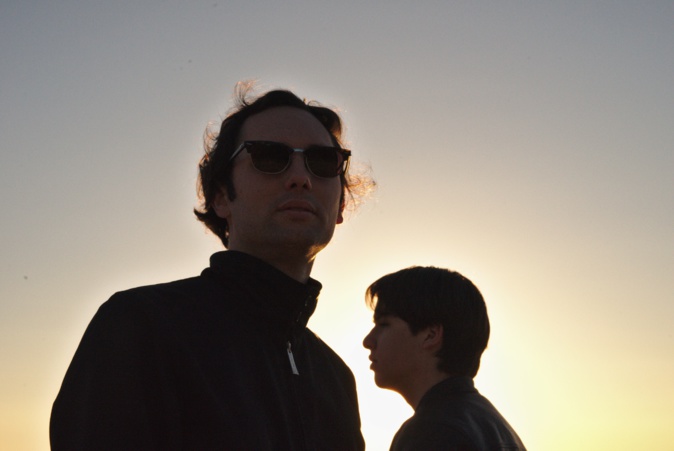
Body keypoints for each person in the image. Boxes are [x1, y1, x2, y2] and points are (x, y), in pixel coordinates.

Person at [50, 83, 372, 450]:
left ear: (341, 205)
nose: (301, 177)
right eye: (269, 156)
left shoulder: (335, 379)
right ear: (220, 197)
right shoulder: (141, 326)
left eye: (324, 162)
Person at [363, 266, 526, 450]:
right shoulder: (498, 428)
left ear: (430, 335)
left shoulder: (434, 431)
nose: (368, 341)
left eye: (384, 324)